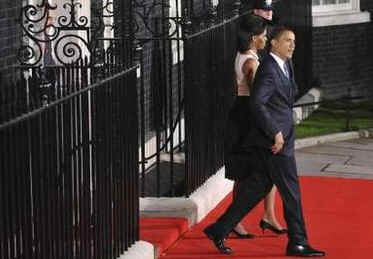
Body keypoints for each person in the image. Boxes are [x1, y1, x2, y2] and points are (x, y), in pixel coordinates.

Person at [204, 26, 326, 257]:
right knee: (291, 192)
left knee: (256, 188)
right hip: (274, 142)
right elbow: (257, 104)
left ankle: (219, 229)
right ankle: (298, 242)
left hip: (280, 138)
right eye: (287, 41)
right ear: (273, 43)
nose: (292, 45)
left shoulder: (285, 63)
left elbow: (288, 95)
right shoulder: (269, 69)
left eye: (294, 41)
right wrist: (275, 132)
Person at [224, 14, 286, 239]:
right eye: (263, 35)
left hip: (243, 113)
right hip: (249, 118)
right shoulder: (251, 62)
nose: (266, 37)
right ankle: (235, 220)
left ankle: (265, 215)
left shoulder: (245, 55)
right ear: (253, 38)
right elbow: (258, 97)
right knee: (251, 170)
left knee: (256, 170)